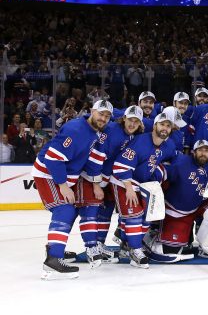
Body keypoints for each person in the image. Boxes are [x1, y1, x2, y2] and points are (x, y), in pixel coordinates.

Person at [31, 100, 114, 280]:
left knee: (71, 210)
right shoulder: (75, 129)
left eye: (107, 116)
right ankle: (53, 259)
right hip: (48, 173)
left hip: (62, 175)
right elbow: (53, 159)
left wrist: (95, 182)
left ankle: (54, 249)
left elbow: (89, 161)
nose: (103, 118)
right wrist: (62, 185)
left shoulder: (93, 133)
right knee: (65, 208)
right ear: (92, 111)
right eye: (101, 114)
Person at [144, 139, 208, 262]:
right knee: (169, 250)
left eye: (206, 150)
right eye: (200, 150)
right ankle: (152, 235)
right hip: (175, 211)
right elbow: (160, 174)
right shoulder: (181, 162)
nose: (203, 153)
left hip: (198, 207)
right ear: (194, 151)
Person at [110, 110, 177, 269]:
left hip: (142, 184)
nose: (165, 128)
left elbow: (172, 160)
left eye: (168, 126)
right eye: (162, 124)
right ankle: (135, 250)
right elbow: (120, 166)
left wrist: (161, 173)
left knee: (149, 215)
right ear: (155, 125)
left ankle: (127, 244)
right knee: (135, 215)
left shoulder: (168, 145)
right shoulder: (140, 142)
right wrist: (128, 188)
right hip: (123, 180)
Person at [93, 105, 144, 263]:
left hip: (112, 178)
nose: (132, 124)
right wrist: (96, 182)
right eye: (130, 120)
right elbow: (96, 156)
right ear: (124, 119)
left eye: (136, 121)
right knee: (101, 211)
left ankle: (119, 244)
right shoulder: (113, 130)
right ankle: (96, 245)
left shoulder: (133, 135)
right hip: (99, 176)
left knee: (111, 209)